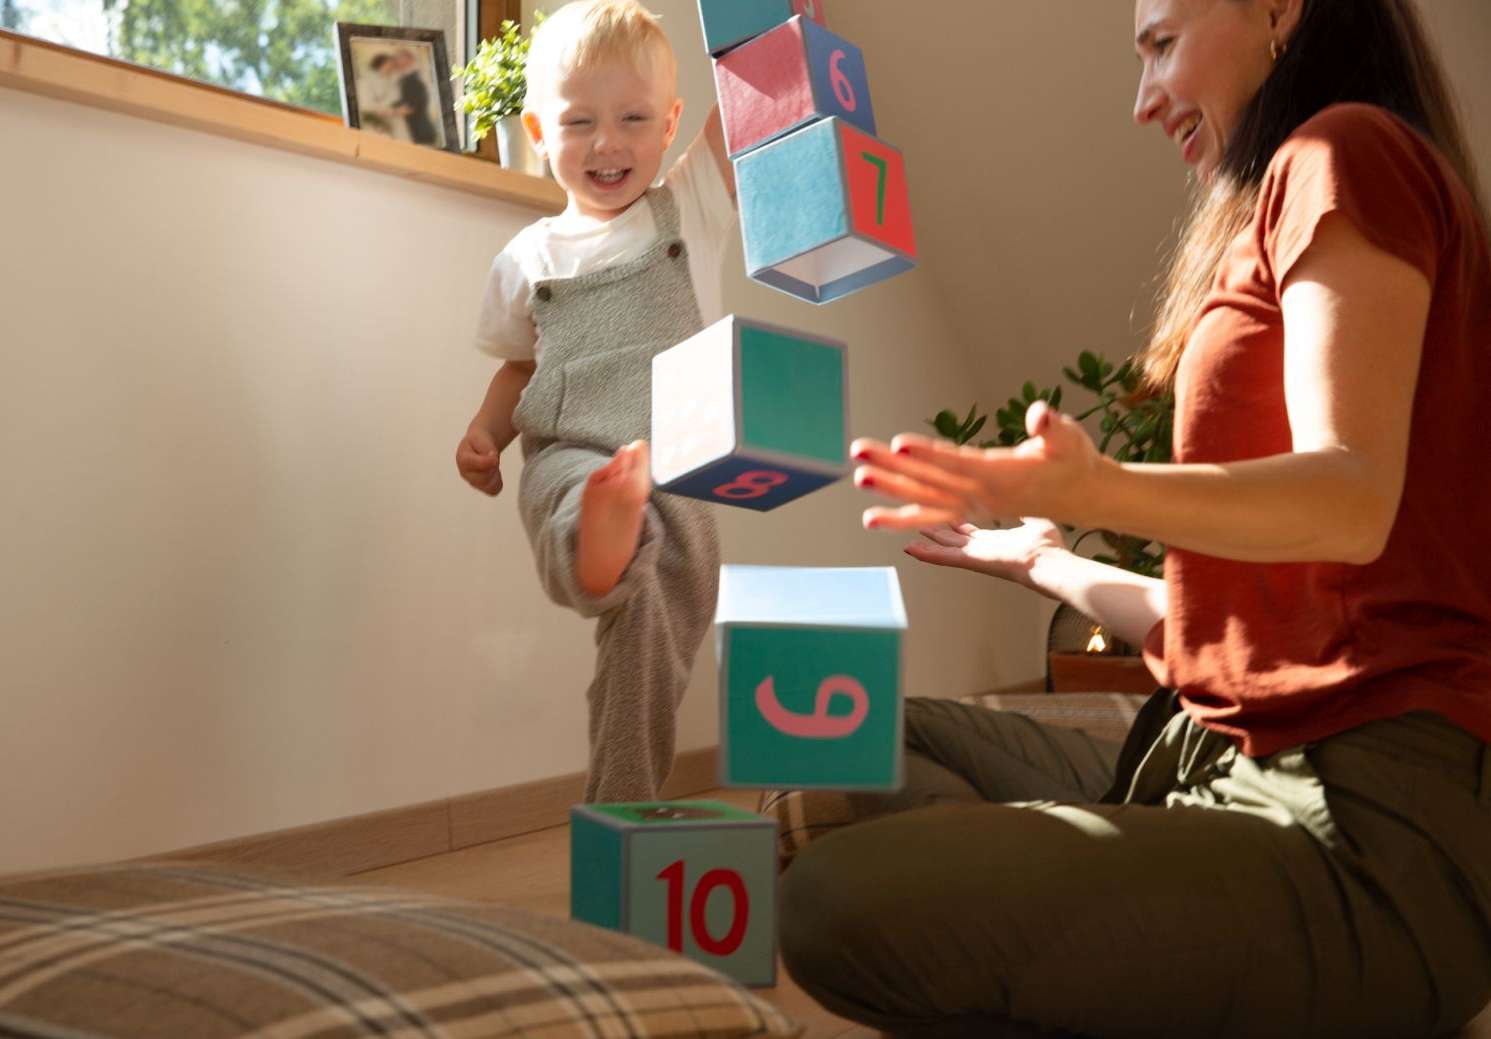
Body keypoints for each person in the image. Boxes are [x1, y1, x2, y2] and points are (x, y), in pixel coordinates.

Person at [777, 0, 1491, 1036]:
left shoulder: (1342, 151)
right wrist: (1042, 559)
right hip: (1204, 751)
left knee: (830, 900)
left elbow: (1349, 498)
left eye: (1161, 44)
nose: (1143, 98)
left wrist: (1093, 487)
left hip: (1360, 832)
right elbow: (1237, 632)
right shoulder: (1284, 195)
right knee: (845, 736)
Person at [454, 0, 737, 803]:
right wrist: (485, 432)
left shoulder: (691, 207)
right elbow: (520, 368)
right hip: (569, 453)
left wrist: (783, 29)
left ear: (670, 124)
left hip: (674, 471)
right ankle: (597, 531)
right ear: (539, 132)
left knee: (653, 646)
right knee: (586, 497)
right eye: (578, 122)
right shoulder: (527, 258)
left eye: (633, 119)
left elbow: (746, 108)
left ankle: (622, 803)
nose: (607, 143)